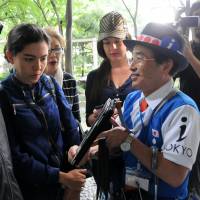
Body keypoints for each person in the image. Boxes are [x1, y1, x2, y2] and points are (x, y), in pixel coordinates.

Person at [98, 22, 200, 200]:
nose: (132, 66)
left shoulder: (183, 110)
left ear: (166, 66)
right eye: (133, 57)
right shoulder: (132, 100)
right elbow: (121, 146)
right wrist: (99, 148)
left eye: (140, 57)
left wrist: (127, 139)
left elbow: (175, 175)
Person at [1, 23, 87, 200]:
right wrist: (60, 177)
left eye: (43, 58)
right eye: (29, 59)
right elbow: (14, 157)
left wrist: (73, 147)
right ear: (10, 56)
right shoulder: (5, 95)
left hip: (65, 181)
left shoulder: (50, 84)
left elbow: (70, 125)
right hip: (31, 188)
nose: (38, 67)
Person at [85, 11, 135, 198]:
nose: (112, 47)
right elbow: (88, 119)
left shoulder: (138, 74)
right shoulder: (94, 77)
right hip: (102, 153)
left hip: (133, 151)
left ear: (127, 41)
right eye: (106, 42)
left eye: (118, 41)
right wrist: (95, 116)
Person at [175, 2, 200, 199]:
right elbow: (168, 76)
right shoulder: (186, 48)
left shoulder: (190, 52)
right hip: (188, 118)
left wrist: (190, 56)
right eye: (196, 17)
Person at [44, 27, 81, 123]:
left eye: (57, 49)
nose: (53, 55)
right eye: (48, 50)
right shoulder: (34, 81)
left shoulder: (69, 80)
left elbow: (76, 119)